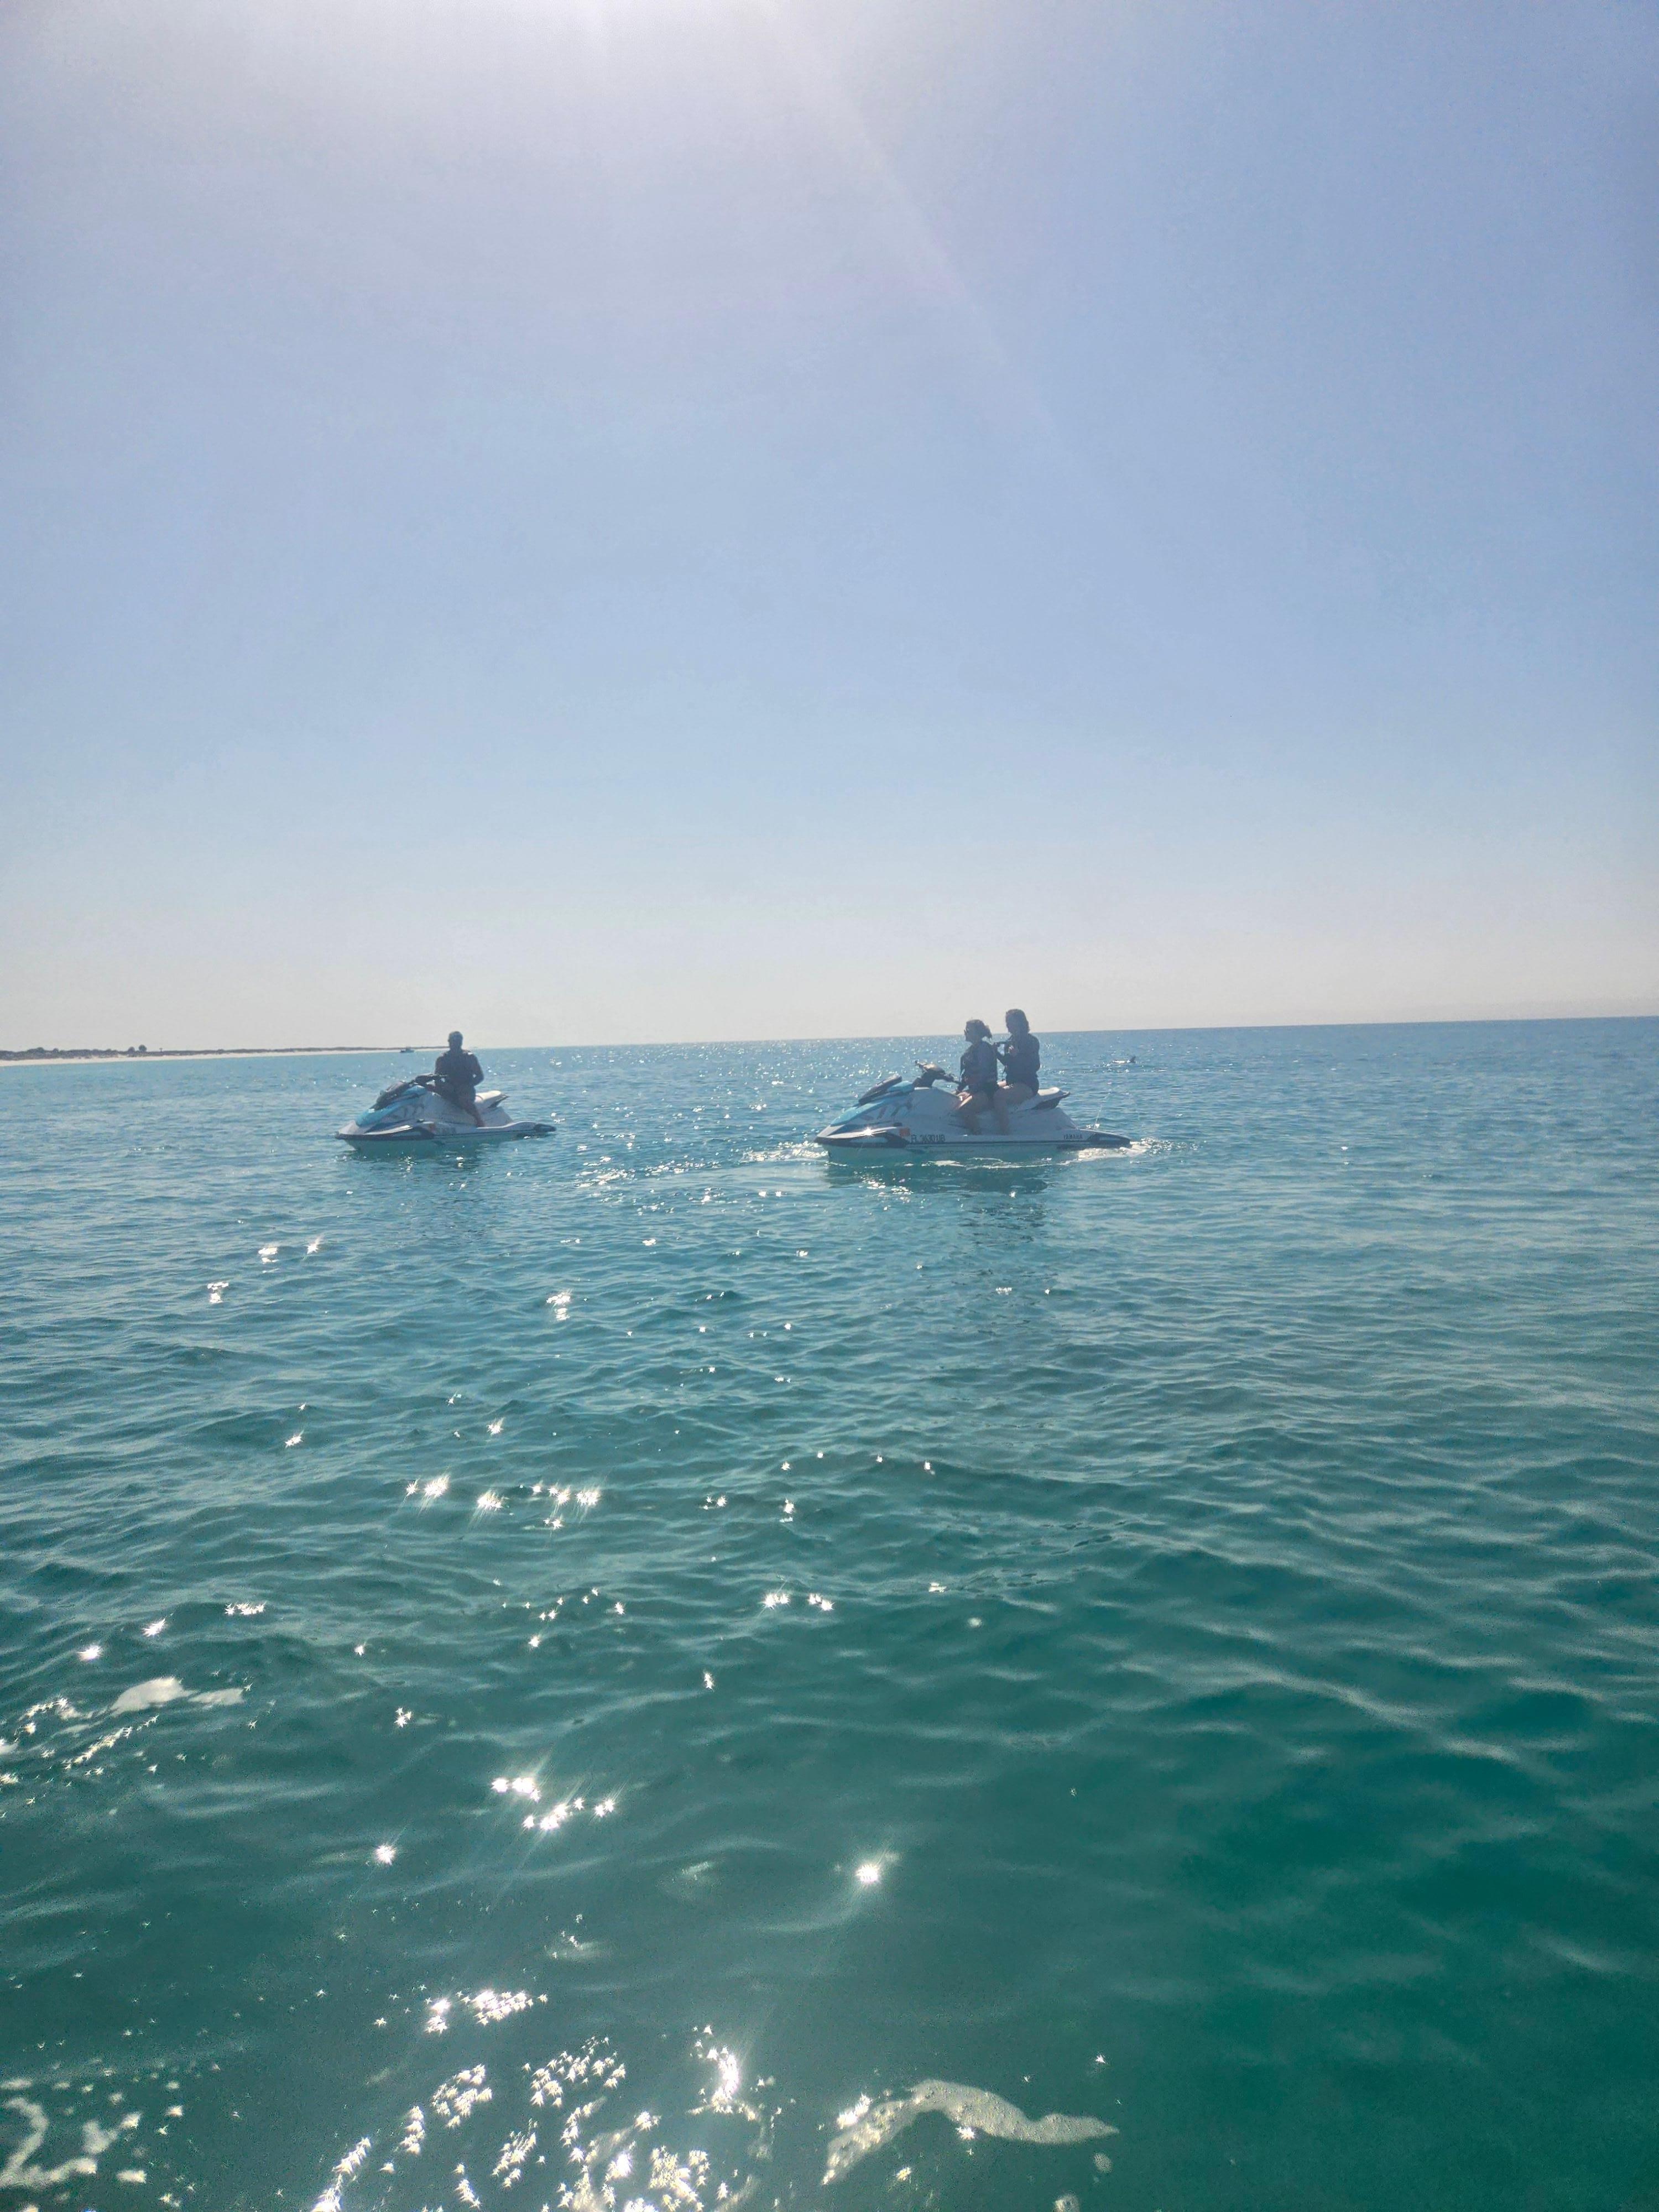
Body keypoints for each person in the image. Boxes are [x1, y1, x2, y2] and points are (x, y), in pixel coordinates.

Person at [956, 1018, 1005, 1133]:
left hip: (988, 1091)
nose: (965, 1033)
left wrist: (973, 1091)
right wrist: (959, 1090)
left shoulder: (983, 1049)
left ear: (977, 1033)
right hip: (976, 1090)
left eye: (968, 1030)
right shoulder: (971, 1051)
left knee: (965, 1109)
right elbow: (966, 1075)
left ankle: (977, 1135)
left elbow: (984, 1073)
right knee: (952, 1101)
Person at [433, 1030, 484, 1125]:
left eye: (458, 1041)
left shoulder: (469, 1057)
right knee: (426, 1090)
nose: (456, 1043)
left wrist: (467, 1086)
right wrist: (444, 1086)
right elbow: (437, 1078)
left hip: (466, 1091)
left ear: (461, 1042)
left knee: (464, 1100)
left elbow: (480, 1076)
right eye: (453, 1041)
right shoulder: (443, 1059)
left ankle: (479, 1121)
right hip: (449, 1090)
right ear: (449, 1042)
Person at [998, 1009, 1041, 1108]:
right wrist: (995, 1053)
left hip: (1028, 1084)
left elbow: (1035, 1066)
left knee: (999, 1095)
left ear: (1020, 1023)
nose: (1008, 1026)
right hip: (1012, 1082)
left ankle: (1004, 1124)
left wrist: (1018, 1055)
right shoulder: (1010, 1042)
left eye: (1011, 1022)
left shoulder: (1031, 1041)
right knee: (990, 1090)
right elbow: (1007, 1062)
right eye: (1007, 1023)